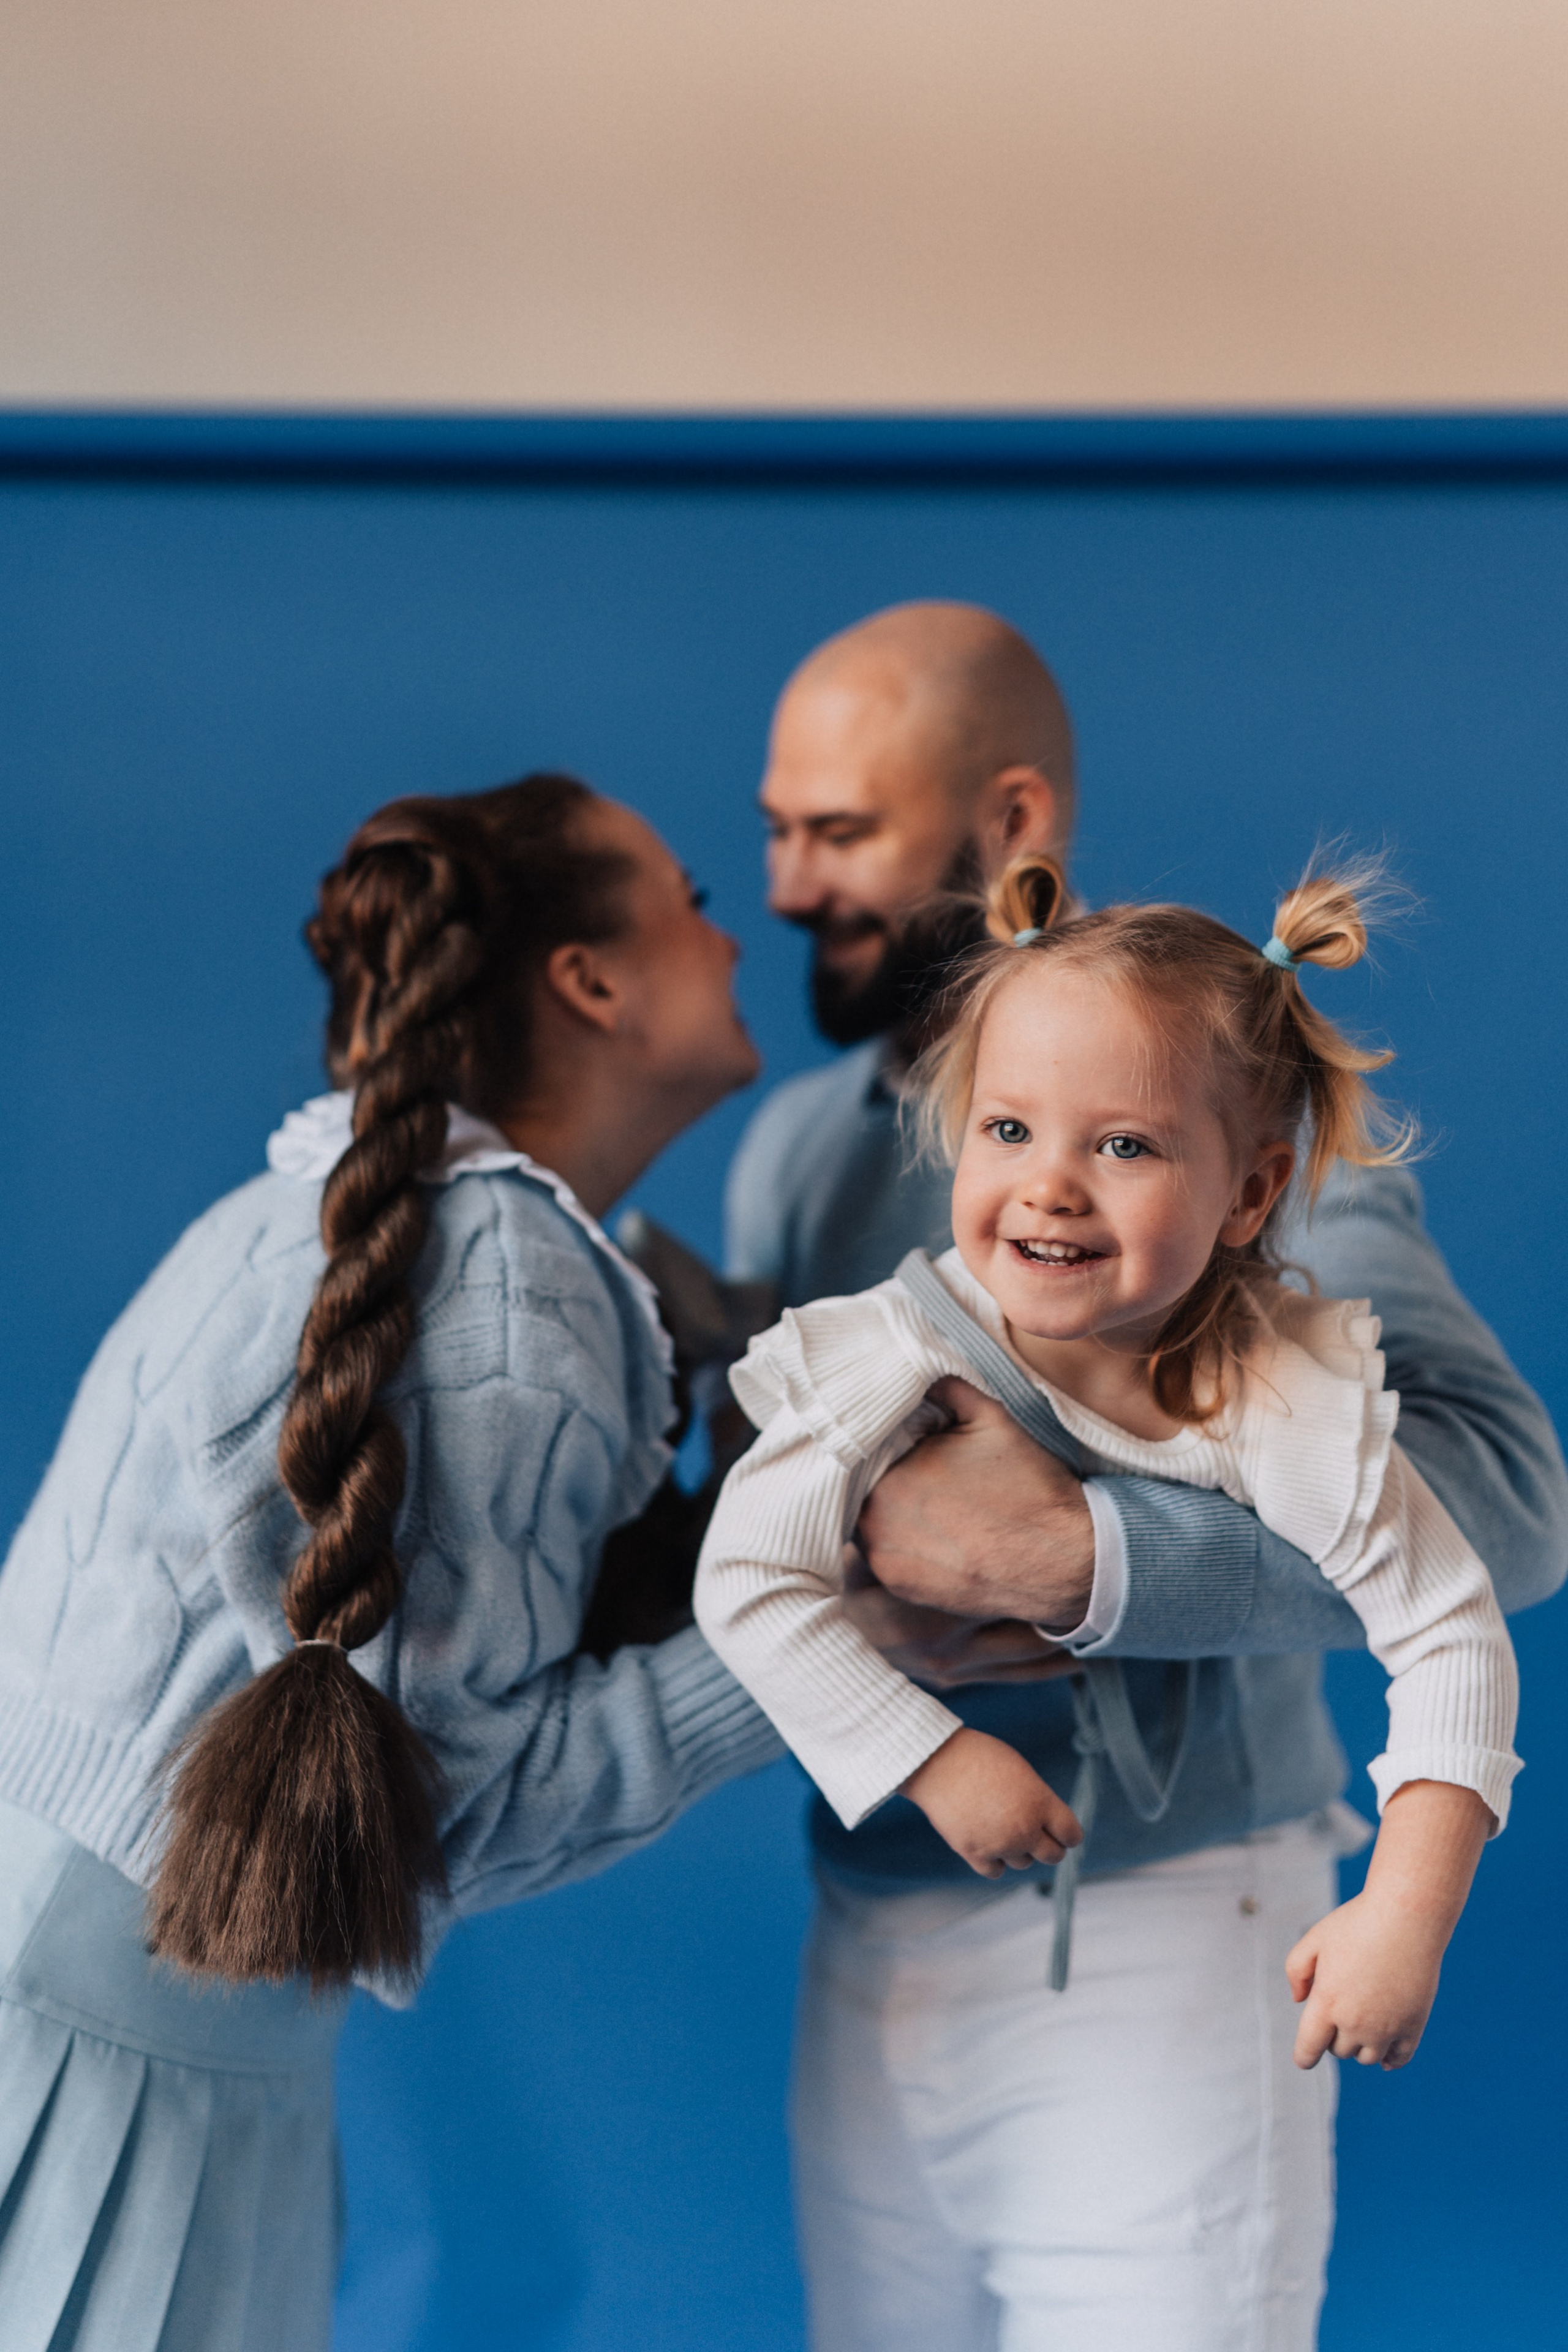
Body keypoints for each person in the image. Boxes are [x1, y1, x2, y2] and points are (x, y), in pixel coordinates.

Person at [724, 605, 1568, 2349]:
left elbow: (1504, 1508)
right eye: (777, 831)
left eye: (842, 832)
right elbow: (767, 1556)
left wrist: (1085, 1557)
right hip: (872, 1919)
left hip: (1168, 1927)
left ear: (1007, 821)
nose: (789, 886)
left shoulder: (1222, 1106)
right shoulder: (810, 1158)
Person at [0, 774, 783, 2352]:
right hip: (112, 2032)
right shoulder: (505, 1293)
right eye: (692, 899)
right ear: (591, 981)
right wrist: (843, 1642)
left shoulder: (365, 1214)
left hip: (111, 1971)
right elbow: (451, 1820)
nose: (737, 935)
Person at [699, 851, 1517, 2075]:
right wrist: (932, 1756)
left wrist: (1404, 1911)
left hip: (1196, 1903)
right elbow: (747, 1581)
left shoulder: (1268, 1387)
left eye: (1123, 1147)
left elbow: (1446, 1627)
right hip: (912, 1923)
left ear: (1249, 1192)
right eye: (1009, 1128)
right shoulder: (892, 1352)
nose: (1048, 1187)